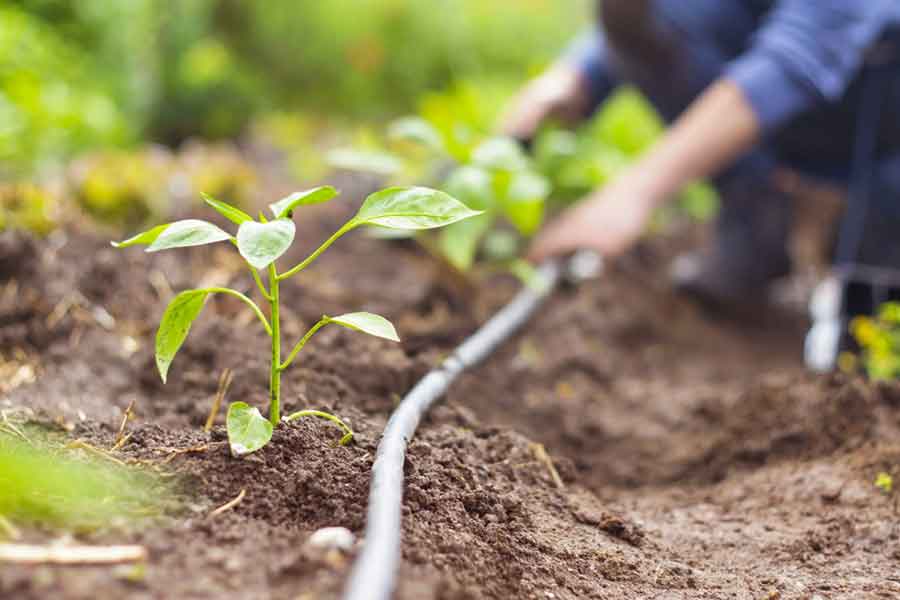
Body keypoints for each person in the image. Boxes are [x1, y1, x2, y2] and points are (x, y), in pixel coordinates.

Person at [506, 1, 900, 312]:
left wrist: (634, 192)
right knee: (637, 10)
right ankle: (757, 218)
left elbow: (795, 59)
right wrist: (577, 75)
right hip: (827, 104)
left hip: (883, 117)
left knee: (872, 311)